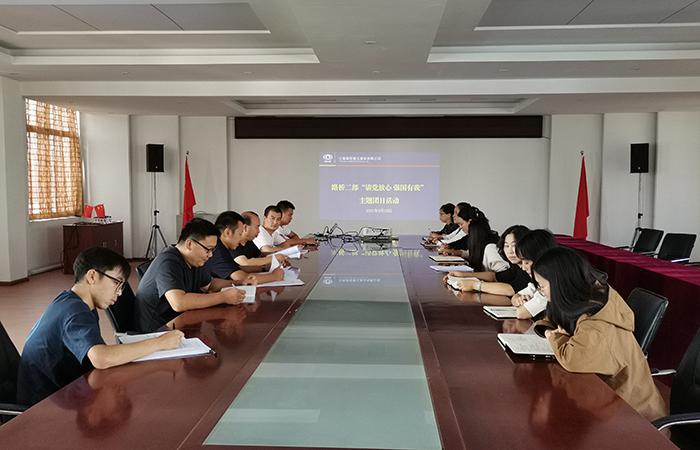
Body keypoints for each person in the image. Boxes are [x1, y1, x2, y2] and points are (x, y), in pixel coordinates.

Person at [17, 247, 184, 406]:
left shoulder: (72, 301)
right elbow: (101, 358)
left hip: (63, 393)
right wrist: (159, 343)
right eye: (117, 283)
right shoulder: (75, 311)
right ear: (92, 276)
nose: (119, 292)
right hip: (43, 406)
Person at [532, 247, 666, 422]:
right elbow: (551, 319)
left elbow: (573, 360)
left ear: (561, 284)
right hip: (609, 402)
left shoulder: (597, 318)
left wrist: (553, 336)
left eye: (542, 286)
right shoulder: (582, 297)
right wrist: (548, 330)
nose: (541, 292)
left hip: (634, 417)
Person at [134, 218, 246, 332]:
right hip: (156, 331)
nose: (210, 255)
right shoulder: (168, 261)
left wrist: (239, 282)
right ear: (189, 244)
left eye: (213, 250)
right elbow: (179, 303)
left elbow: (210, 284)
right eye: (208, 249)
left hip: (178, 322)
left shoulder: (194, 260)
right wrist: (223, 297)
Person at [448, 225, 531, 296]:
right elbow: (494, 276)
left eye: (514, 245)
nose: (510, 251)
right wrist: (463, 274)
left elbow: (510, 290)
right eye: (506, 246)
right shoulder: (516, 266)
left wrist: (475, 285)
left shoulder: (529, 267)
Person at [205, 210, 284, 284]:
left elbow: (238, 268)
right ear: (228, 232)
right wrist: (274, 276)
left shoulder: (223, 247)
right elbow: (241, 277)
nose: (240, 239)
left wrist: (265, 268)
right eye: (240, 234)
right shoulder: (216, 250)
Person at [510, 229, 558, 319]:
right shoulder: (539, 282)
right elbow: (515, 297)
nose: (523, 268)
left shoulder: (551, 284)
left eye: (527, 262)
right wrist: (518, 300)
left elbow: (521, 313)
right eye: (521, 262)